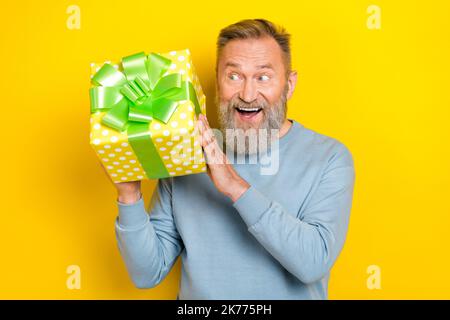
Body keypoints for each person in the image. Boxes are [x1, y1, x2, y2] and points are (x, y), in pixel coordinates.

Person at [113, 19, 355, 299]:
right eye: (234, 76)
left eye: (263, 77)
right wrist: (129, 194)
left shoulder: (329, 158)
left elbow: (313, 262)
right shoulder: (187, 152)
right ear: (217, 80)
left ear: (289, 85)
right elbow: (147, 273)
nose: (248, 94)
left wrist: (234, 185)